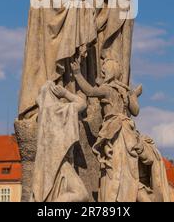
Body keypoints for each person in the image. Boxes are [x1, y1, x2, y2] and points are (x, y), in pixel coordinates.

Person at [70, 56, 145, 202]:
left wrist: (78, 73)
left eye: (103, 73)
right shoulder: (125, 91)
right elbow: (135, 111)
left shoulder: (108, 90)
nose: (101, 76)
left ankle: (112, 199)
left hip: (114, 132)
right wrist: (134, 95)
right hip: (127, 131)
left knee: (112, 167)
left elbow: (90, 91)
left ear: (109, 73)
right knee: (125, 169)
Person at [32, 81, 89, 202]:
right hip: (60, 161)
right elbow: (82, 104)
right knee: (81, 194)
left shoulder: (42, 114)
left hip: (45, 164)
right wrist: (65, 93)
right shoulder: (57, 109)